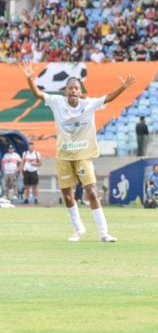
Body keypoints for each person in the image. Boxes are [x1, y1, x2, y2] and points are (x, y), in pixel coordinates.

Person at [20, 62, 134, 242]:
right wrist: (28, 78)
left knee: (92, 192)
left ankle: (103, 233)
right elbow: (37, 94)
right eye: (70, 88)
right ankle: (78, 229)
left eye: (76, 88)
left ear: (80, 91)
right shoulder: (57, 102)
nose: (73, 90)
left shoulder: (88, 104)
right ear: (65, 91)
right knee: (67, 195)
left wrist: (123, 87)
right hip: (64, 156)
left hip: (83, 156)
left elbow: (108, 98)